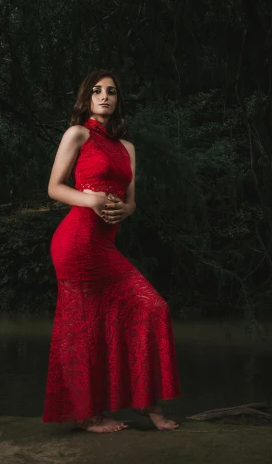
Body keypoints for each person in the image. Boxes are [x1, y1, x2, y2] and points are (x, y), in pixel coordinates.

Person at [42, 70, 181, 433]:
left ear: (119, 100)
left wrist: (124, 209)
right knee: (84, 327)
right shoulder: (78, 134)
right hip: (76, 241)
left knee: (152, 307)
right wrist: (91, 199)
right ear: (86, 98)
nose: (105, 97)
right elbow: (55, 188)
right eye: (97, 91)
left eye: (112, 92)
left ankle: (145, 401)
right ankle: (90, 415)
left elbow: (132, 201)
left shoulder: (127, 149)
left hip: (104, 243)